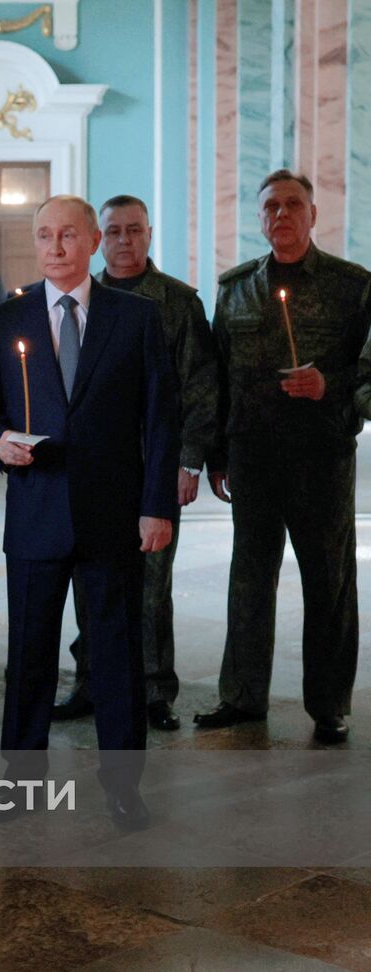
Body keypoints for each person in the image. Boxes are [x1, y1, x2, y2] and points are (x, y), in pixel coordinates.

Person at [0, 194, 178, 830]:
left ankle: (122, 782)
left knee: (115, 653)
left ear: (91, 242)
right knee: (29, 650)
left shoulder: (136, 319)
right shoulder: (6, 320)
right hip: (35, 513)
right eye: (44, 236)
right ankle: (21, 778)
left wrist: (156, 507)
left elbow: (160, 420)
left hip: (113, 515)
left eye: (67, 235)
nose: (55, 246)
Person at [197, 169, 370, 744]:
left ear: (313, 215)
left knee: (328, 583)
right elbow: (218, 376)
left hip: (321, 456)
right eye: (270, 207)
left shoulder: (352, 286)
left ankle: (329, 705)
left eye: (293, 205)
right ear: (260, 218)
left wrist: (331, 385)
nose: (282, 216)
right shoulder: (236, 286)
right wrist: (216, 453)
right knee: (249, 579)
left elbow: (368, 370)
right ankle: (243, 696)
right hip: (254, 455)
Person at [51, 194, 217, 732]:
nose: (124, 240)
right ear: (98, 238)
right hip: (91, 470)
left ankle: (151, 690)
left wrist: (187, 463)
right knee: (87, 576)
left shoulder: (176, 302)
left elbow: (199, 386)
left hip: (153, 468)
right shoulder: (80, 296)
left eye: (134, 230)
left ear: (149, 234)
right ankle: (91, 681)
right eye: (114, 231)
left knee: (150, 584)